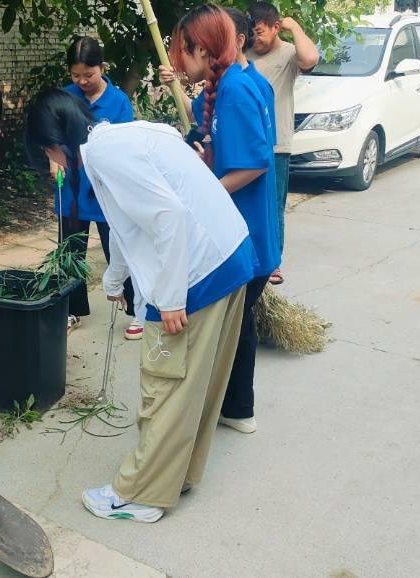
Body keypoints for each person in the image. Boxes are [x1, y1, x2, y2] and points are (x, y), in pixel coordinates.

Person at [26, 89, 259, 522]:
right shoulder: (126, 136)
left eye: (46, 154)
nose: (51, 164)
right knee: (197, 385)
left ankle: (142, 495)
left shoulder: (105, 156)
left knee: (164, 384)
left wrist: (168, 299)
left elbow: (166, 217)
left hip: (197, 273)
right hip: (230, 253)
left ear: (54, 143)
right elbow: (133, 224)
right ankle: (179, 475)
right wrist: (115, 277)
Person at [169, 4, 279, 435]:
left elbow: (254, 163)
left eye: (183, 51)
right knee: (239, 322)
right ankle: (237, 407)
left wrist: (202, 191)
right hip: (253, 231)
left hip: (242, 235)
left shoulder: (234, 89)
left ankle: (229, 407)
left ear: (204, 48)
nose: (178, 62)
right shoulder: (245, 81)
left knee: (227, 326)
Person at [50, 36, 139, 338]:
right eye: (76, 75)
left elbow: (127, 146)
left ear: (102, 67)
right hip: (72, 189)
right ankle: (72, 310)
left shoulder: (118, 103)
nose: (82, 81)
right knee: (70, 252)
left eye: (89, 74)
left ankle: (136, 307)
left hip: (106, 192)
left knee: (121, 249)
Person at [246, 1, 319, 285]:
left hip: (277, 144)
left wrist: (294, 27)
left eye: (261, 32)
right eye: (252, 32)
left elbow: (310, 57)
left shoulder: (289, 53)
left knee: (273, 205)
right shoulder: (245, 54)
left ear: (276, 27)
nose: (256, 38)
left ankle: (273, 262)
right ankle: (253, 257)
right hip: (248, 142)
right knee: (251, 204)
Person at [159, 6, 276, 145]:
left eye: (220, 36)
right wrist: (174, 85)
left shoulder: (243, 86)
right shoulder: (219, 82)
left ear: (240, 41)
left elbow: (258, 151)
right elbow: (194, 113)